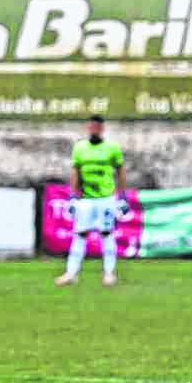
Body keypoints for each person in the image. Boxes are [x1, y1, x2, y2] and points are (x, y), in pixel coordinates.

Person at [55, 115, 128, 287]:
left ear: (102, 128)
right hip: (85, 199)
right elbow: (75, 170)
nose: (94, 129)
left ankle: (109, 273)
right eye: (91, 126)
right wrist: (73, 195)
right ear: (88, 128)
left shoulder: (112, 148)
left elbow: (120, 171)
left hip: (106, 198)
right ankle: (71, 273)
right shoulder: (80, 148)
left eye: (97, 126)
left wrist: (122, 195)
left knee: (107, 233)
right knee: (80, 234)